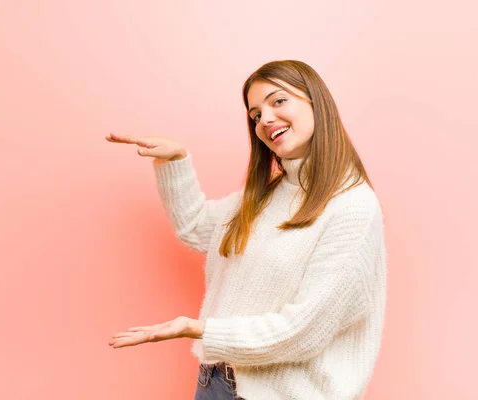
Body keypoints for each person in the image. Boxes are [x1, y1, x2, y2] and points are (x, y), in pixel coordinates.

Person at [106, 60, 387, 400]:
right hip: (216, 382)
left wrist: (197, 329)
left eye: (278, 101)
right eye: (255, 115)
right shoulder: (271, 192)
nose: (265, 119)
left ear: (317, 102)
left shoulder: (352, 206)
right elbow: (195, 228)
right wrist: (174, 161)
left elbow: (303, 332)